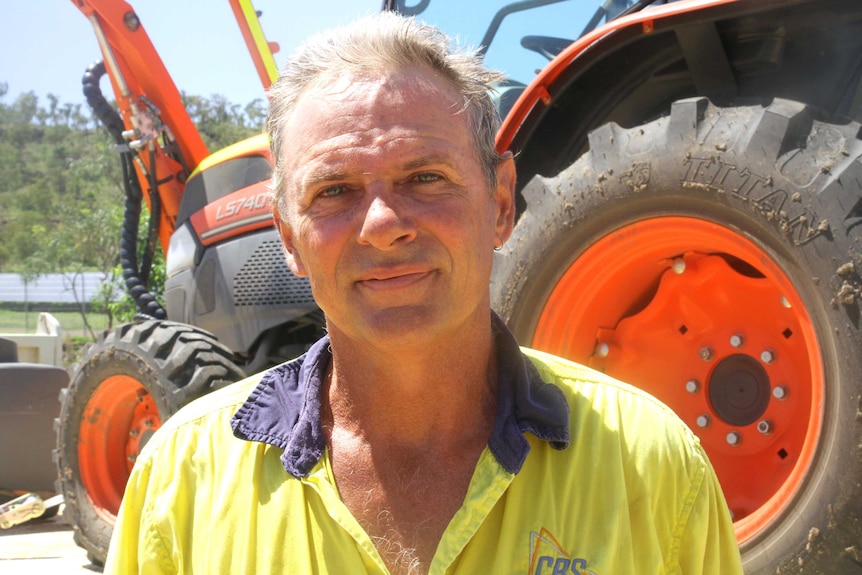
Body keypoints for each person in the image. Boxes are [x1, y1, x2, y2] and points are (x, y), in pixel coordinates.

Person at [105, 11, 743, 575]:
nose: (382, 225)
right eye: (333, 191)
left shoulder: (654, 467)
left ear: (498, 205)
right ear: (290, 238)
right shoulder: (182, 483)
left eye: (425, 177)